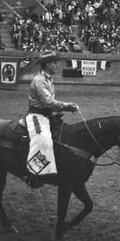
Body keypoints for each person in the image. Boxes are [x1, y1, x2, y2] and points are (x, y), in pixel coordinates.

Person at [25, 51, 79, 183]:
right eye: (55, 63)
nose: (57, 65)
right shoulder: (39, 80)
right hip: (36, 115)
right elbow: (48, 102)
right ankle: (34, 174)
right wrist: (67, 106)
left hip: (46, 115)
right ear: (47, 64)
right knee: (44, 140)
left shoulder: (48, 79)